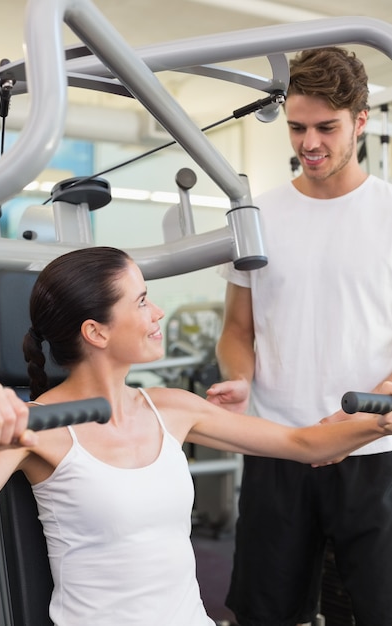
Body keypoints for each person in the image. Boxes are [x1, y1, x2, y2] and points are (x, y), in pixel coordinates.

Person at [0, 247, 392, 626]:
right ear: (96, 332)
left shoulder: (171, 407)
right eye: (140, 302)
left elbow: (303, 445)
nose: (157, 313)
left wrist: (379, 422)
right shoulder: (32, 427)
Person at [206, 46, 392, 626]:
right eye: (297, 127)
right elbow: (237, 329)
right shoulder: (257, 214)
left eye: (326, 128)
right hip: (278, 446)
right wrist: (238, 378)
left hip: (374, 448)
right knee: (267, 613)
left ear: (362, 122)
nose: (309, 143)